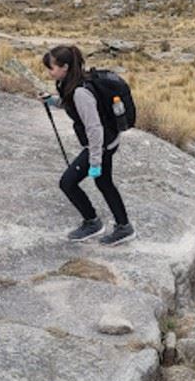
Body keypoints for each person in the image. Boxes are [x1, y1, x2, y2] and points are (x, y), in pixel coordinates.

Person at [42, 45, 135, 245]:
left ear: (64, 67)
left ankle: (93, 223)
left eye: (51, 68)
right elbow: (71, 103)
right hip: (109, 141)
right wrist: (52, 101)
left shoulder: (80, 92)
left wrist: (95, 161)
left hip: (102, 144)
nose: (49, 72)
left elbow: (94, 128)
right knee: (104, 183)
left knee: (67, 182)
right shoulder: (74, 82)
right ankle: (123, 226)